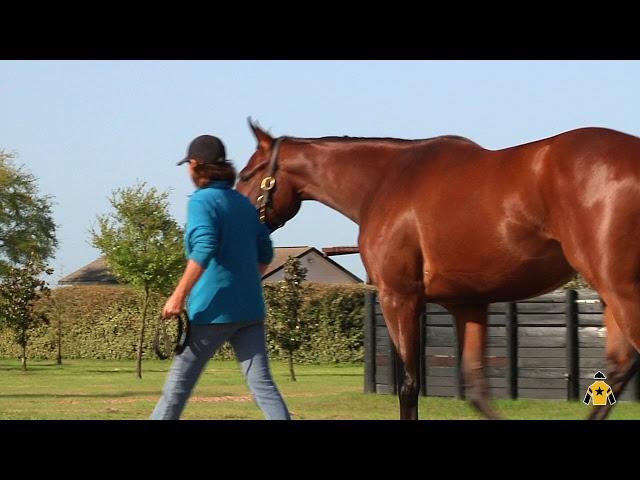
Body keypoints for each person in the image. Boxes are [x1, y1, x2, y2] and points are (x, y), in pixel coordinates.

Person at [150, 134, 291, 420]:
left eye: (189, 164)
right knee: (263, 385)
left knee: (177, 388)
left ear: (196, 165)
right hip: (250, 310)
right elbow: (265, 250)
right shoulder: (241, 202)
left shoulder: (201, 201)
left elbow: (204, 246)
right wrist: (245, 284)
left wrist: (177, 296)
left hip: (212, 311)